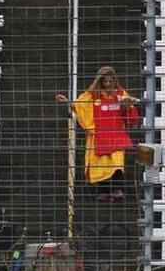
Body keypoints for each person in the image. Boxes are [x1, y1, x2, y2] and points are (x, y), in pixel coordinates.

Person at [55, 65, 140, 202]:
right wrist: (66, 102)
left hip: (115, 135)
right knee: (100, 165)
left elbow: (130, 114)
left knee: (116, 164)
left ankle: (117, 190)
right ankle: (104, 192)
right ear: (100, 81)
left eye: (110, 81)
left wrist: (126, 105)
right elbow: (79, 105)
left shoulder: (120, 94)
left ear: (114, 81)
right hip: (98, 136)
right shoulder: (92, 95)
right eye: (105, 81)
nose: (107, 84)